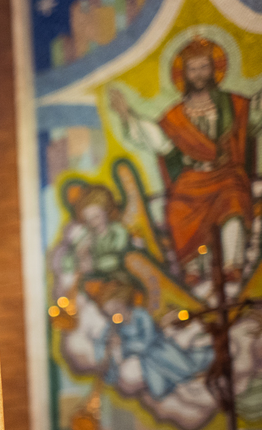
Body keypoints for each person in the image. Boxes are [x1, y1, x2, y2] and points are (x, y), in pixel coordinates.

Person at [109, 37, 261, 287]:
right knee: (177, 207)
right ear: (184, 74)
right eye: (193, 69)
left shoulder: (233, 105)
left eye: (204, 67)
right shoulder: (175, 116)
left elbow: (254, 115)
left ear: (214, 69)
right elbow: (158, 140)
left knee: (232, 198)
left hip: (226, 174)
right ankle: (192, 267)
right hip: (192, 180)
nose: (199, 74)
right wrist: (127, 115)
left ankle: (232, 265)